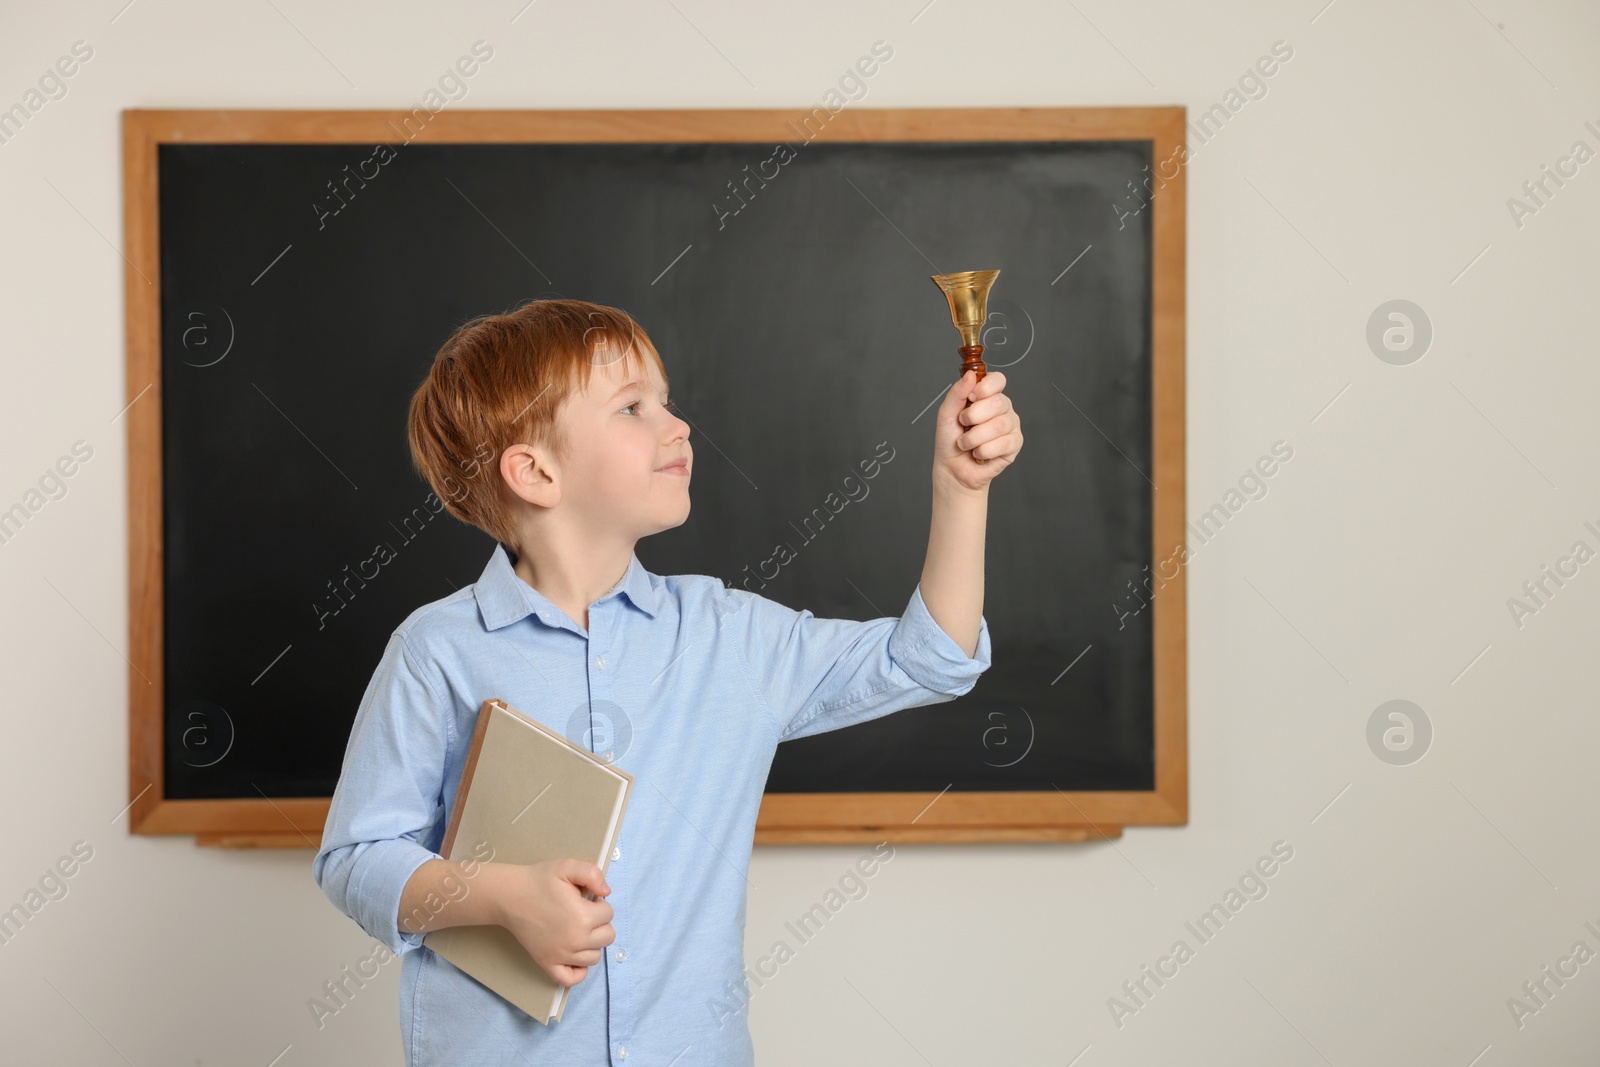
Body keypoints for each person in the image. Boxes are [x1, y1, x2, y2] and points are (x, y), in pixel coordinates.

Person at [312, 297, 1023, 1065]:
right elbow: (357, 858)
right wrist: (500, 898)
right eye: (631, 407)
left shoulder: (728, 635)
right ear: (535, 470)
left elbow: (930, 659)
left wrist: (962, 492)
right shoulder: (437, 651)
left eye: (667, 402)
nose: (677, 425)